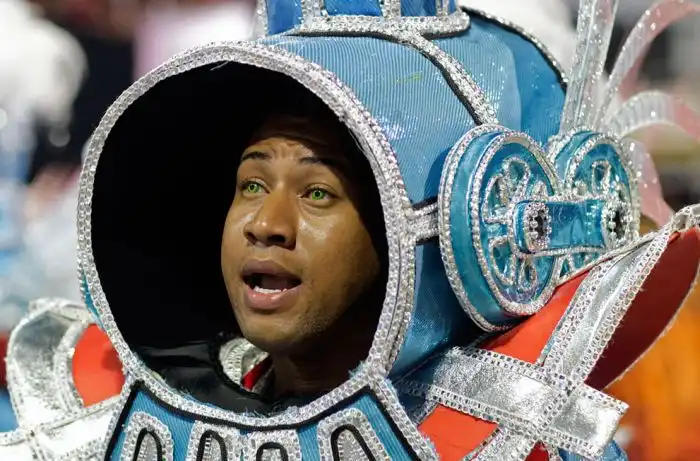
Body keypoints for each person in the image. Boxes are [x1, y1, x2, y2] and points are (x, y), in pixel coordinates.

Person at [1, 1, 699, 460]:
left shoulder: (523, 443)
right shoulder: (104, 429)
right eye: (250, 185)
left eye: (317, 193)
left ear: (414, 234)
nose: (266, 226)